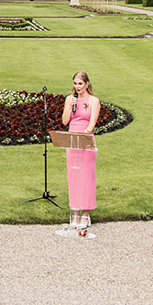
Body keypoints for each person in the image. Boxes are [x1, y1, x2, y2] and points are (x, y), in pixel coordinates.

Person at [62, 70, 100, 232]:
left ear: (87, 84)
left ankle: (85, 213)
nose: (77, 87)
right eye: (75, 84)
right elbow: (65, 121)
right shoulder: (70, 99)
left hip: (85, 139)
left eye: (80, 84)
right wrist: (69, 107)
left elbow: (92, 123)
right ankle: (75, 211)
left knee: (86, 176)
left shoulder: (93, 100)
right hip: (72, 139)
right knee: (74, 176)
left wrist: (83, 135)